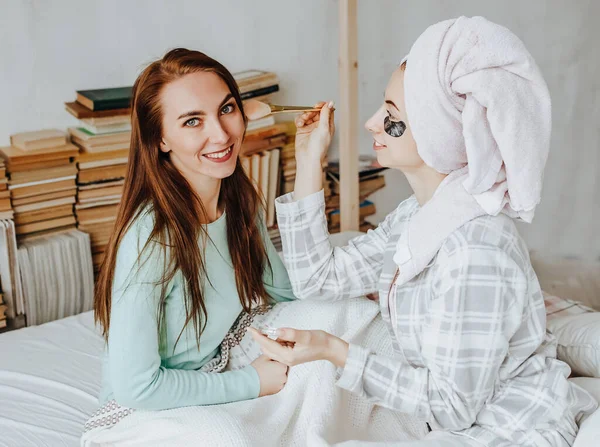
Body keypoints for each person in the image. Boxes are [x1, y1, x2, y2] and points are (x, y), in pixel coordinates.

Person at [250, 16, 598, 446]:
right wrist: (308, 161)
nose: (371, 123)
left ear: (438, 132)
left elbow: (453, 407)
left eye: (392, 117)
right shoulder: (417, 217)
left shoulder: (478, 249)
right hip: (453, 424)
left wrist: (332, 349)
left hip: (514, 431)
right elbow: (316, 279)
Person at [93, 48, 295, 412]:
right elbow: (135, 388)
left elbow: (284, 300)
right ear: (161, 141)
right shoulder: (151, 237)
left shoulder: (239, 201)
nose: (220, 134)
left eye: (226, 109)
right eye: (192, 121)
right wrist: (251, 382)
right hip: (149, 405)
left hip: (218, 369)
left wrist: (311, 159)